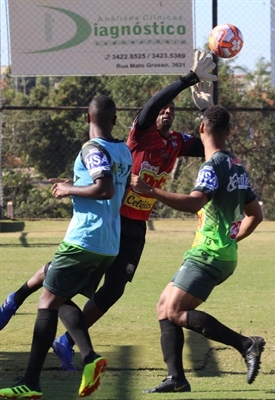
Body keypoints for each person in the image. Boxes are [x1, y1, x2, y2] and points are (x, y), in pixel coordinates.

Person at [0, 50, 217, 372]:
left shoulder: (176, 142)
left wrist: (207, 110)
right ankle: (15, 299)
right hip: (111, 219)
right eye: (163, 109)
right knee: (64, 278)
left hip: (133, 227)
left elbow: (213, 143)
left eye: (172, 110)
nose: (167, 112)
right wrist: (186, 80)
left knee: (112, 289)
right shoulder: (139, 134)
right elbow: (153, 104)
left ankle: (66, 341)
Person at [0, 96, 133, 399]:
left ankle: (33, 382)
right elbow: (115, 191)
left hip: (83, 240)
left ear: (88, 118)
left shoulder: (92, 148)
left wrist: (67, 189)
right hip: (109, 244)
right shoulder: (123, 150)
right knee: (56, 296)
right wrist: (76, 183)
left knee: (47, 303)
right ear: (114, 120)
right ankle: (86, 357)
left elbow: (104, 187)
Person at [130, 105, 265, 393]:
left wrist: (150, 190)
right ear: (228, 132)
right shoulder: (236, 166)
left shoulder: (212, 166)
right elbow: (256, 214)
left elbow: (193, 203)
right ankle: (176, 378)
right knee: (164, 307)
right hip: (220, 253)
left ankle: (246, 344)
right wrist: (232, 238)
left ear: (202, 129)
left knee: (176, 311)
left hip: (209, 255)